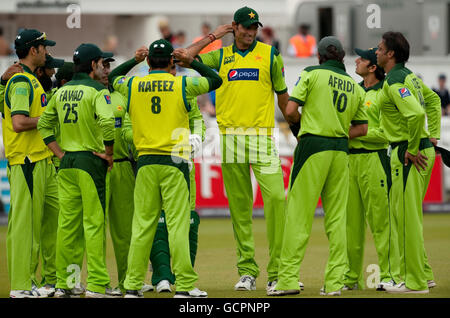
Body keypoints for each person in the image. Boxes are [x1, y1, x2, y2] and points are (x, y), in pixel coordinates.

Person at [185, 7, 290, 292]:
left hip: (263, 138)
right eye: (245, 27)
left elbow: (283, 99)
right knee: (240, 210)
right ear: (234, 27)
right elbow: (184, 57)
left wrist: (298, 131)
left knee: (277, 202)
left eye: (254, 27)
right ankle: (247, 272)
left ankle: (279, 272)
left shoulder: (270, 55)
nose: (250, 32)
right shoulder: (220, 55)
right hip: (230, 138)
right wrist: (214, 35)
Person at [112, 39, 222, 298]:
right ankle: (184, 285)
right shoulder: (182, 84)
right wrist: (191, 62)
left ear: (148, 61)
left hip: (146, 162)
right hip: (175, 162)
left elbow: (114, 75)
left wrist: (134, 61)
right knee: (178, 226)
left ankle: (132, 285)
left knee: (142, 227)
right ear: (172, 62)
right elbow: (215, 81)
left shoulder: (132, 84)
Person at [268, 36, 368, 297]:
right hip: (340, 151)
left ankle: (288, 279)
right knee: (337, 219)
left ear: (320, 56)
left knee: (298, 216)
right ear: (341, 57)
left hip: (313, 147)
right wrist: (338, 132)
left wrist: (303, 129)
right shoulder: (354, 86)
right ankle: (334, 283)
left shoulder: (311, 73)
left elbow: (290, 110)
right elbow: (362, 127)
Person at [37, 43, 116, 298]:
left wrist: (59, 152)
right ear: (93, 65)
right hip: (90, 162)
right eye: (102, 64)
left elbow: (45, 124)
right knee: (93, 225)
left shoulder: (61, 91)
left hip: (67, 163)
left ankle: (65, 283)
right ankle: (96, 284)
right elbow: (106, 121)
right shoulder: (96, 90)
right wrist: (110, 153)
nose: (104, 69)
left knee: (67, 226)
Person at [375, 31, 441, 294]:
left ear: (390, 54)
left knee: (405, 222)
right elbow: (434, 100)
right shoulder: (409, 77)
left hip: (408, 155)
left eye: (380, 48)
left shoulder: (393, 81)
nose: (376, 51)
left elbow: (415, 114)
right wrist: (432, 137)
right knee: (410, 219)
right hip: (422, 151)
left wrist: (412, 148)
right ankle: (424, 275)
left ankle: (414, 283)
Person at [3, 29, 59, 298]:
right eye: (44, 47)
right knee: (26, 227)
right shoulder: (23, 82)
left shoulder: (27, 80)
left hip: (42, 160)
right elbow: (18, 122)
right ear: (34, 50)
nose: (47, 52)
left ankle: (47, 280)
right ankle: (22, 286)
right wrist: (50, 118)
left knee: (51, 223)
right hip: (27, 161)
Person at [343, 47, 401, 291]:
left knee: (381, 223)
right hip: (350, 162)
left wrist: (358, 135)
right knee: (350, 225)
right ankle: (350, 278)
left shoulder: (386, 92)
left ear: (373, 67)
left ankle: (389, 275)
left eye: (362, 59)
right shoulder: (353, 90)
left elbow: (387, 133)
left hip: (375, 160)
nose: (356, 61)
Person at [145, 63, 206, 294]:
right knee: (157, 220)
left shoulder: (183, 90)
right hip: (155, 161)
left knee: (188, 220)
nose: (172, 73)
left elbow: (197, 120)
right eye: (170, 68)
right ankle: (161, 276)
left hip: (181, 164)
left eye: (173, 68)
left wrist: (196, 138)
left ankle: (184, 280)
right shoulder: (144, 88)